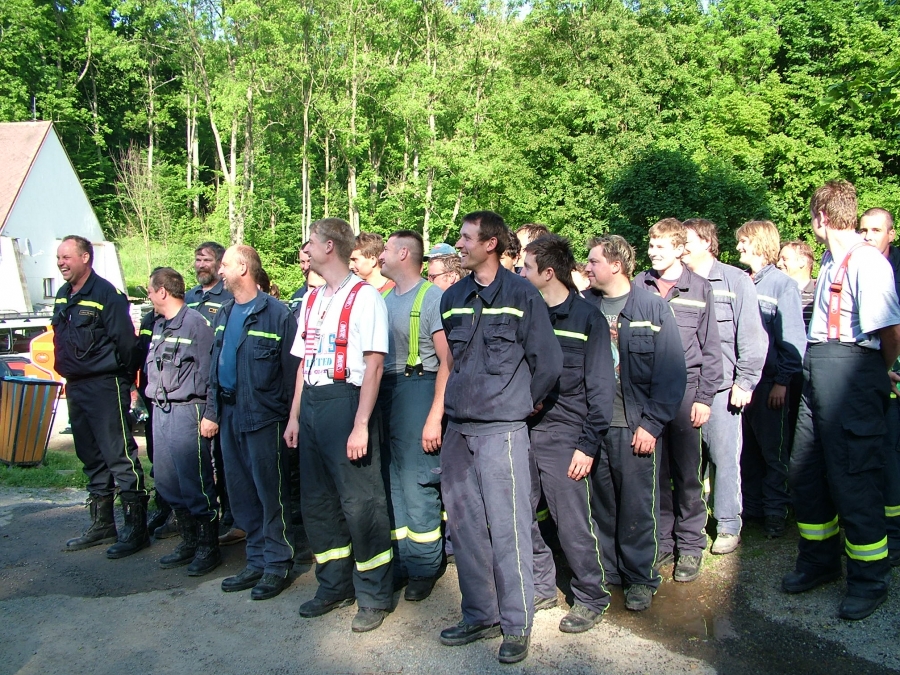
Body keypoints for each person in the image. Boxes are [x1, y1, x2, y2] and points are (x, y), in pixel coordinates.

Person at [438, 211, 563, 664]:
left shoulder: (522, 294)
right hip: (458, 431)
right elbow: (451, 361)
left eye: (466, 237)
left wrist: (523, 404)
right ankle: (480, 614)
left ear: (490, 243)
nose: (459, 244)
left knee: (509, 529)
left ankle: (516, 623)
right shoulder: (451, 297)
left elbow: (549, 361)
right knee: (465, 528)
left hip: (502, 432)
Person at [783, 180, 900, 621]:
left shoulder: (868, 261)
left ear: (822, 217)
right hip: (819, 371)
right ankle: (819, 561)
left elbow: (891, 333)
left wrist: (872, 373)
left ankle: (870, 580)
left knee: (855, 479)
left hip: (853, 373)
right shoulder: (831, 260)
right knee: (806, 472)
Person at [284, 218, 394, 633]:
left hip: (347, 401)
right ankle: (333, 585)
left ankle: (374, 594)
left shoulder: (365, 297)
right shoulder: (312, 299)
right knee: (317, 501)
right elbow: (303, 362)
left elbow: (374, 364)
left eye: (310, 242)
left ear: (329, 246)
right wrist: (295, 416)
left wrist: (361, 424)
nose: (305, 249)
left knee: (361, 502)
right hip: (313, 403)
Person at [584, 235, 686, 611]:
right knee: (601, 505)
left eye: (593, 261)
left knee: (638, 507)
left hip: (635, 426)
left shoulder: (652, 308)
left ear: (616, 265)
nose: (587, 267)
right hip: (595, 426)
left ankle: (640, 578)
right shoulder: (584, 307)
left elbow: (671, 373)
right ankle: (610, 572)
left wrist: (651, 424)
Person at [519, 234, 614, 630]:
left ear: (548, 273)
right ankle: (542, 586)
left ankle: (592, 595)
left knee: (572, 521)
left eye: (526, 267)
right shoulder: (526, 313)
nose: (520, 273)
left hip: (567, 435)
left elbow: (602, 389)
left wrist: (587, 446)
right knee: (524, 513)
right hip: (524, 429)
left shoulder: (588, 318)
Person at [201, 245, 299, 601]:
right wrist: (212, 412)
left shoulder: (277, 315)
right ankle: (256, 560)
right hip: (229, 414)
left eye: (225, 265)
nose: (220, 271)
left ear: (243, 267)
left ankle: (277, 563)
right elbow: (215, 367)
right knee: (242, 494)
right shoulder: (225, 312)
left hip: (264, 418)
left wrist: (292, 420)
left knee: (270, 495)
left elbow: (293, 376)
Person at [634, 219, 723, 583]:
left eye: (660, 246)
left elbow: (711, 348)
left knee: (687, 473)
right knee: (654, 473)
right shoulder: (639, 285)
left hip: (687, 393)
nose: (653, 252)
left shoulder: (700, 287)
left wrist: (705, 397)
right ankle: (663, 543)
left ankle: (689, 545)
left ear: (679, 249)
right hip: (647, 394)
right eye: (650, 245)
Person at [53, 235, 148, 558]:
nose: (61, 263)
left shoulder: (106, 294)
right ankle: (103, 524)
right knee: (90, 456)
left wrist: (122, 379)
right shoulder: (64, 295)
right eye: (59, 258)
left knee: (119, 456)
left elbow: (126, 344)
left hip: (105, 385)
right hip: (76, 386)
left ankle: (135, 529)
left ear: (85, 258)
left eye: (66, 257)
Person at [681, 219, 766, 555]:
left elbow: (752, 335)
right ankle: (692, 526)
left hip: (723, 389)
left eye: (686, 241)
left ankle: (729, 525)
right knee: (688, 462)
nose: (681, 248)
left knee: (723, 458)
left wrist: (745, 380)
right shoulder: (677, 282)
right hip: (685, 388)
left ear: (706, 242)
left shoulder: (734, 280)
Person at [377, 230, 449, 601]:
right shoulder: (383, 298)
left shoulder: (432, 296)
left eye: (387, 249)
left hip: (418, 390)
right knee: (392, 483)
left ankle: (424, 567)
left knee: (418, 484)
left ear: (404, 253)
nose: (380, 255)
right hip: (387, 395)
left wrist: (435, 415)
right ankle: (404, 562)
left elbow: (448, 362)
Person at [144, 267, 221, 575]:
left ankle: (207, 546)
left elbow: (211, 373)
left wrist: (211, 414)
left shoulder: (196, 325)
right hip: (162, 410)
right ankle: (188, 540)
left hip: (189, 410)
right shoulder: (159, 324)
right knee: (166, 479)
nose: (149, 296)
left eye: (150, 291)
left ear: (162, 291)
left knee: (195, 481)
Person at [735, 221, 806, 538]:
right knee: (747, 450)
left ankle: (776, 511)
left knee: (773, 452)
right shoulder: (741, 280)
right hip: (742, 383)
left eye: (744, 241)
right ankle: (753, 509)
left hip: (769, 383)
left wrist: (782, 381)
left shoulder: (781, 285)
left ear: (760, 243)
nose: (739, 247)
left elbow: (793, 339)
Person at [183, 241, 237, 542]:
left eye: (206, 260)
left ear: (219, 264)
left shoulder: (227, 296)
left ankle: (231, 512)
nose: (200, 265)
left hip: (218, 386)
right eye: (197, 259)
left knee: (224, 457)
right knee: (199, 458)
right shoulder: (189, 297)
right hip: (192, 388)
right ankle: (201, 514)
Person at [858, 207, 900, 567]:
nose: (868, 236)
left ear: (892, 233)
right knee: (882, 456)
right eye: (863, 229)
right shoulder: (852, 263)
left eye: (876, 230)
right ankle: (887, 533)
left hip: (892, 372)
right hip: (872, 376)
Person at [778, 241, 817, 331]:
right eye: (779, 259)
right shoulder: (777, 292)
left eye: (784, 259)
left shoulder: (818, 293)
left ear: (802, 262)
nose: (778, 264)